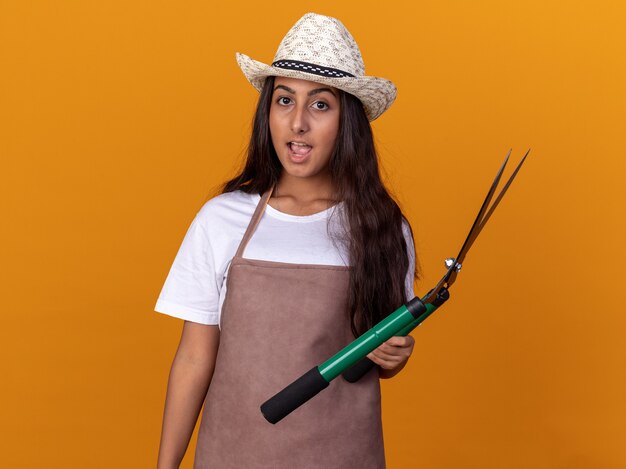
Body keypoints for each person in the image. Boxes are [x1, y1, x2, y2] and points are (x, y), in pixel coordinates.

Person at [155, 12, 419, 469]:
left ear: (348, 121)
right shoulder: (221, 220)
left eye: (320, 105)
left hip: (343, 456)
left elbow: (377, 357)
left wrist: (394, 355)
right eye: (283, 100)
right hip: (232, 456)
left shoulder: (382, 227)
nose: (297, 123)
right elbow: (194, 358)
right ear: (268, 112)